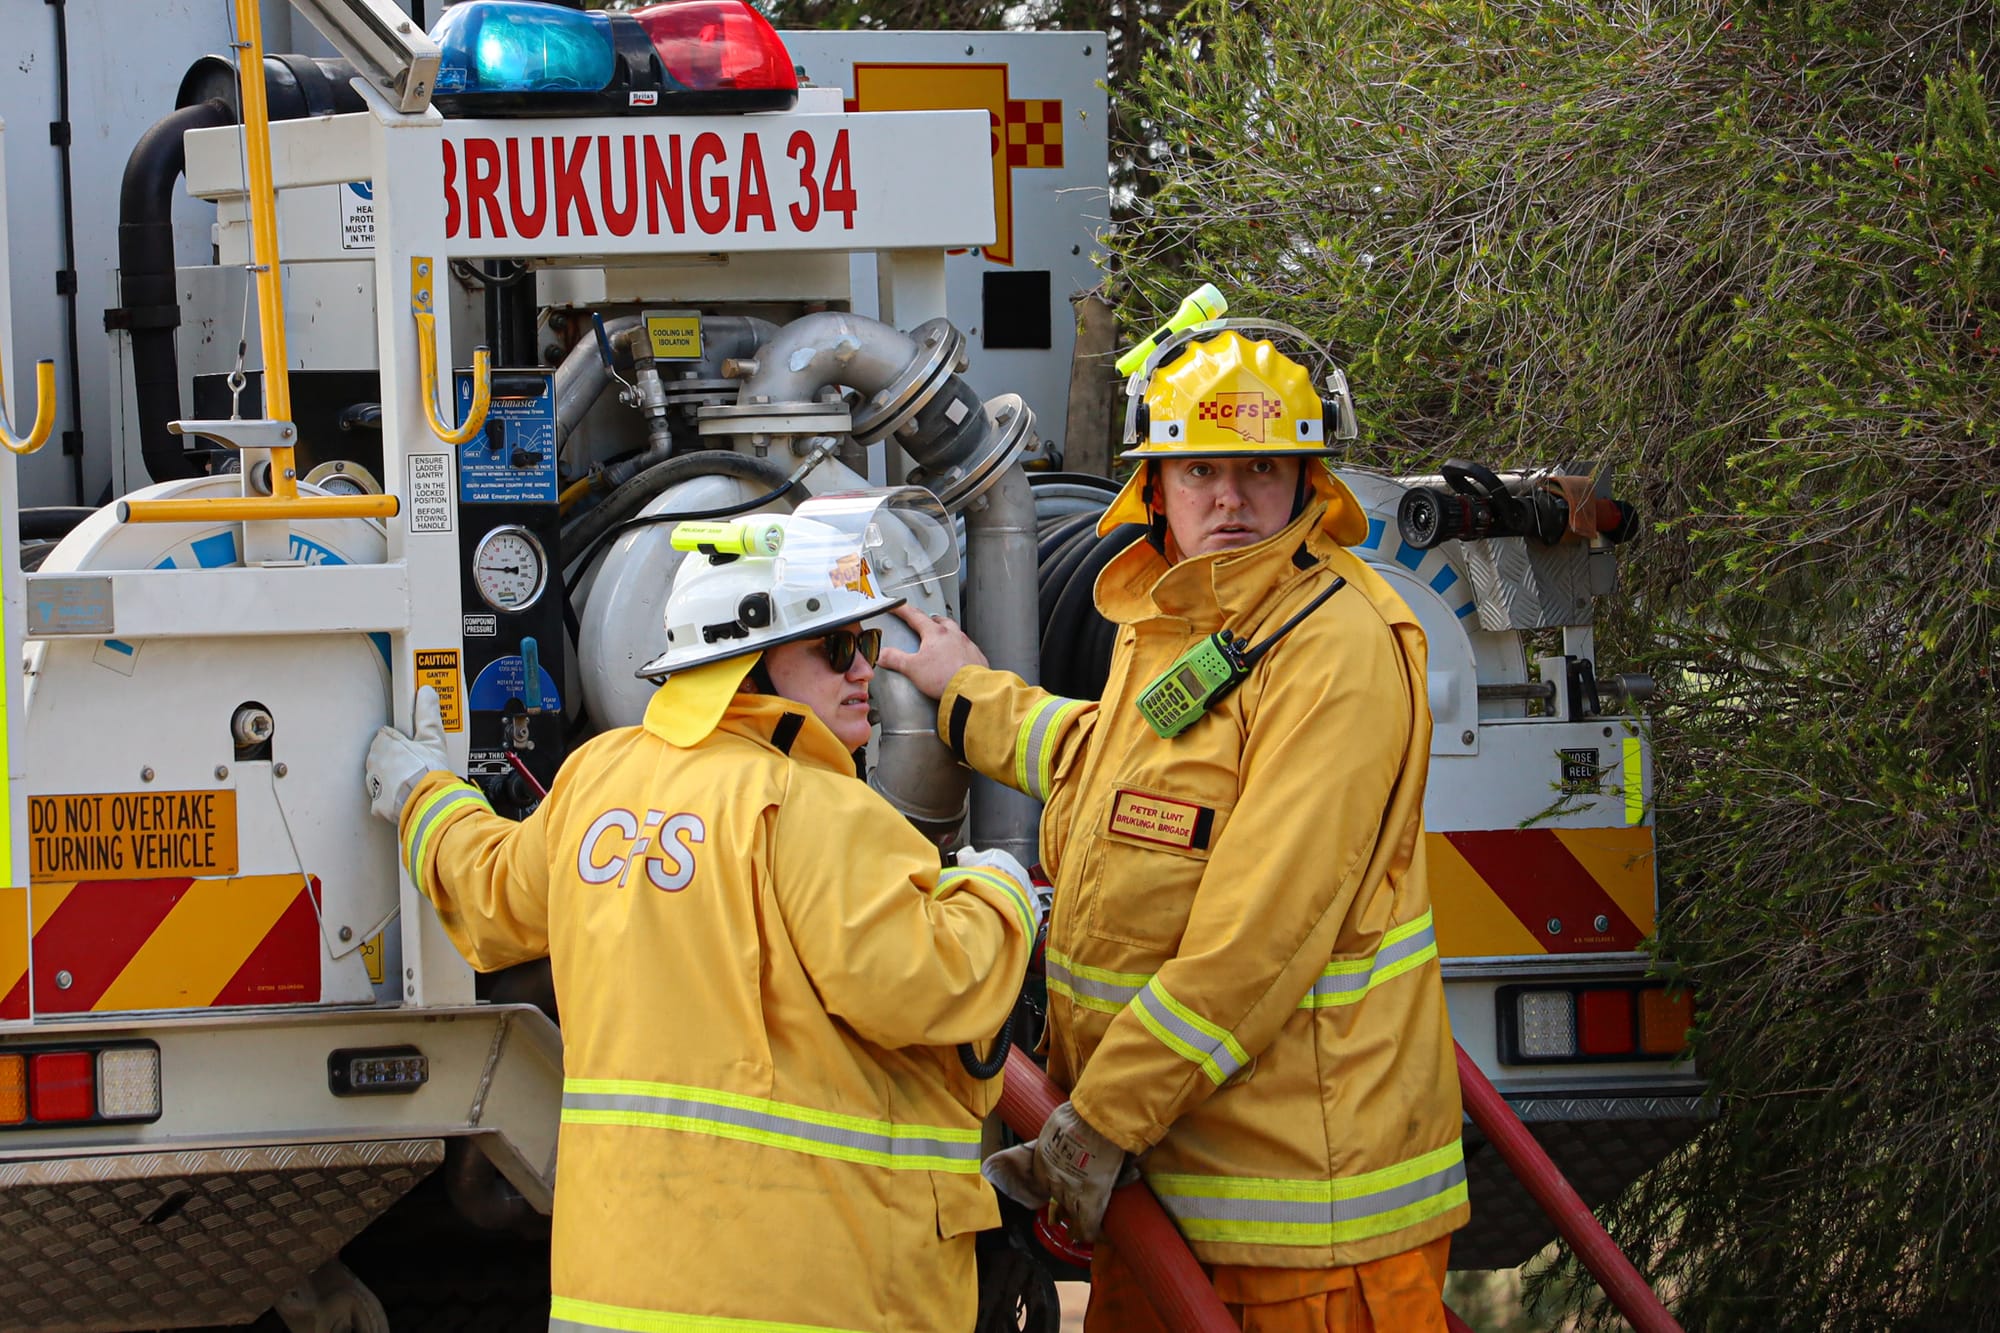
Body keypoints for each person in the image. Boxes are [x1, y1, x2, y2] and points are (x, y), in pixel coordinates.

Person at [882, 324, 1469, 1332]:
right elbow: (1113, 773)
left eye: (1260, 468)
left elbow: (1257, 937)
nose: (1230, 499)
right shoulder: (1182, 625)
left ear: (1305, 482)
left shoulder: (1333, 649)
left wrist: (1095, 1122)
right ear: (1153, 487)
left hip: (1303, 1241)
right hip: (1167, 1201)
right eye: (1199, 468)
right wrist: (964, 697)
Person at [364, 489, 1036, 1333]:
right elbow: (924, 985)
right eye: (836, 644)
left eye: (864, 640)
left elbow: (490, 889)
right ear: (746, 661)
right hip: (801, 1297)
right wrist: (1000, 890)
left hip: (612, 1297)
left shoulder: (598, 778)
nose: (866, 668)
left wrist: (423, 793)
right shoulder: (818, 809)